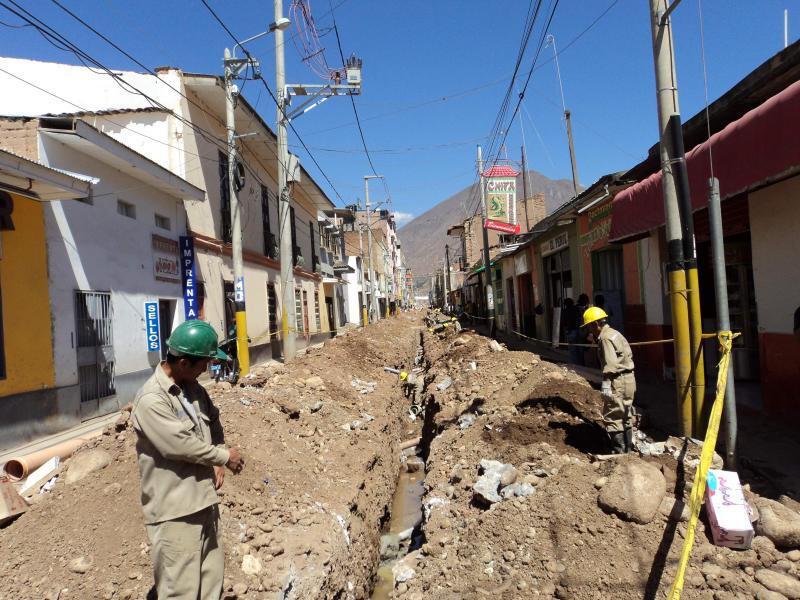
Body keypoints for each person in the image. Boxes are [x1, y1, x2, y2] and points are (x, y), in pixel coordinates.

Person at [132, 319, 245, 600]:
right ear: (183, 362)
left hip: (204, 503)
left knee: (210, 584)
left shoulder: (194, 389)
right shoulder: (152, 400)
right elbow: (179, 446)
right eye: (203, 363)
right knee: (180, 590)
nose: (206, 368)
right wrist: (223, 456)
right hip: (175, 513)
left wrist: (218, 457)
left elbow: (213, 422)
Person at [582, 307, 637, 453]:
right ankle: (628, 451)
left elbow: (610, 364)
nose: (589, 330)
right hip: (629, 379)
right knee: (625, 414)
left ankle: (620, 453)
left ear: (595, 324)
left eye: (589, 326)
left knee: (612, 416)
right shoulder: (615, 333)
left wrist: (606, 383)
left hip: (617, 380)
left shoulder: (605, 338)